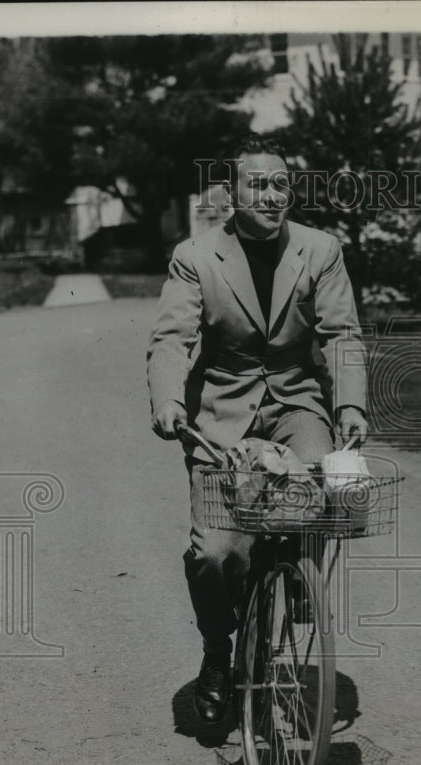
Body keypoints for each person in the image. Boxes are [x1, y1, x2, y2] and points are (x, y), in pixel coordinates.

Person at [147, 134, 368, 722]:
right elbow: (173, 338)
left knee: (324, 488)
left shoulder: (320, 250)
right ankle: (219, 652)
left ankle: (296, 581)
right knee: (219, 552)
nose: (271, 196)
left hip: (297, 404)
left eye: (280, 184)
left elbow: (342, 334)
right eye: (257, 184)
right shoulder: (195, 257)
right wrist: (169, 400)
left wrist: (350, 405)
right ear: (231, 192)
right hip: (221, 413)